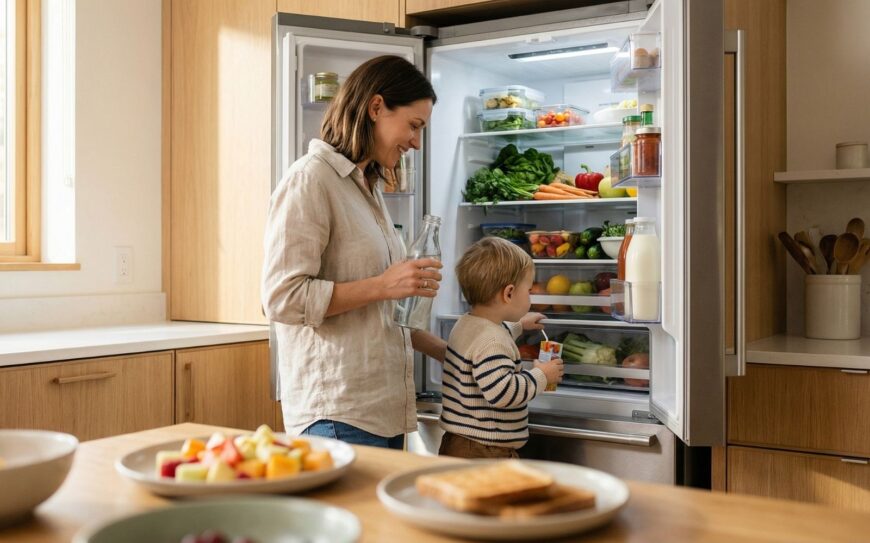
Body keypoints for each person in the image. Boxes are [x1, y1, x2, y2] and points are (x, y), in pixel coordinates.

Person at [261, 55, 446, 449]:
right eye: (414, 125)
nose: (416, 142)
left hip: (382, 409)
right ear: (376, 107)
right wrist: (383, 285)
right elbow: (281, 298)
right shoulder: (310, 180)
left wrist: (453, 354)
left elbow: (380, 315)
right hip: (337, 412)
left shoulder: (367, 188)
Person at [439, 237, 564, 459]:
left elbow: (488, 338)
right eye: (528, 290)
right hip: (485, 450)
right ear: (508, 293)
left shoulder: (467, 323)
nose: (530, 295)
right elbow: (503, 393)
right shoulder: (493, 341)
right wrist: (542, 375)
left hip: (460, 441)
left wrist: (519, 325)